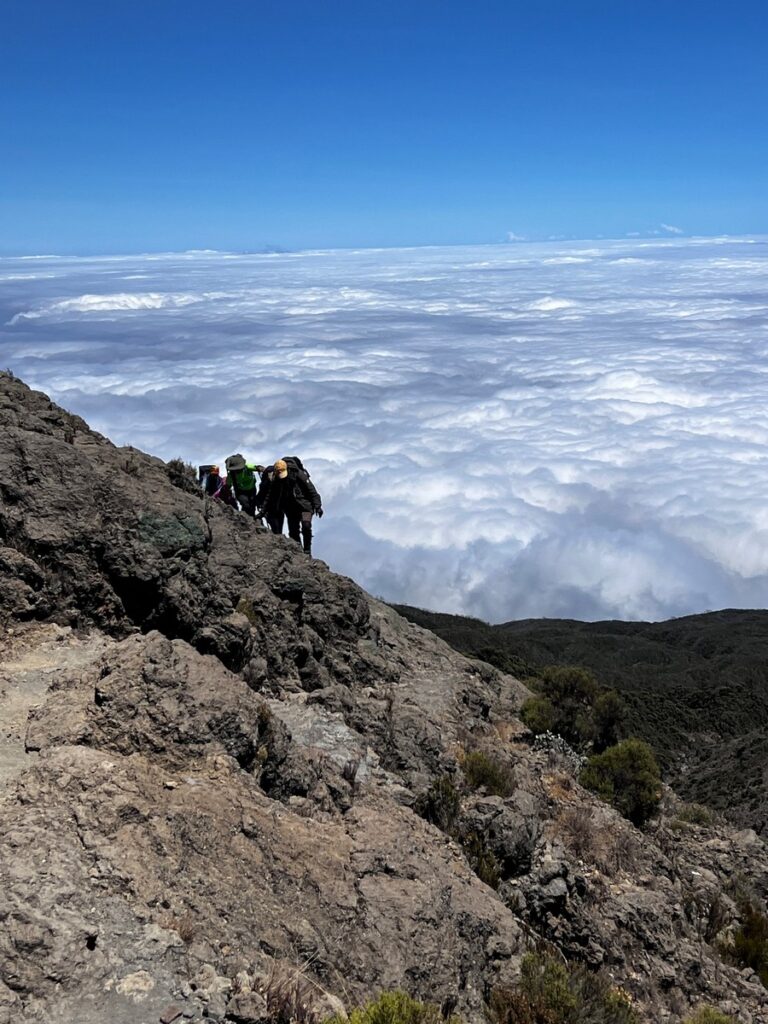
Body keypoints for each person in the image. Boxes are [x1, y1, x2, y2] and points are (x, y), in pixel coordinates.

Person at [260, 457, 323, 555]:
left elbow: (311, 490)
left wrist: (318, 506)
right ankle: (298, 552)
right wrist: (262, 511)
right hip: (290, 507)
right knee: (293, 532)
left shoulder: (298, 474)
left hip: (305, 505)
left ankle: (307, 550)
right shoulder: (276, 479)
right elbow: (270, 496)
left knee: (306, 526)